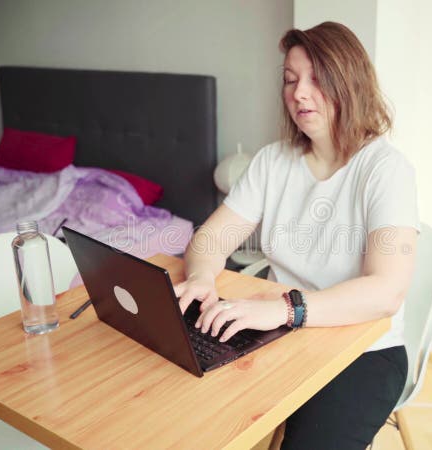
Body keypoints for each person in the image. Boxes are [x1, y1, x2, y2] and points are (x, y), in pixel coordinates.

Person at [174, 21, 419, 450]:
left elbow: (386, 292)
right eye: (290, 80)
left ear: (350, 82)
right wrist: (200, 277)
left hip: (362, 349)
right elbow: (209, 240)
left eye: (316, 79)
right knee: (191, 413)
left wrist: (287, 310)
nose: (298, 93)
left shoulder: (384, 169)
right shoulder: (273, 161)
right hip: (280, 335)